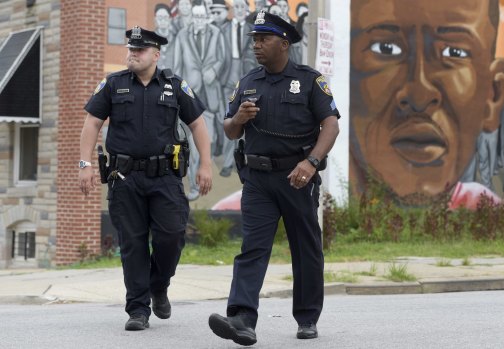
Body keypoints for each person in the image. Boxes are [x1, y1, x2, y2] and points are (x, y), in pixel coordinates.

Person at [207, 11, 340, 345]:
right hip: (257, 180)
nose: (256, 46)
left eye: (263, 39)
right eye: (254, 40)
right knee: (252, 248)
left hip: (297, 178)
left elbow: (331, 125)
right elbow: (230, 129)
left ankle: (307, 317)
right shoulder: (248, 81)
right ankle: (241, 318)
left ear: (284, 43)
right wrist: (237, 117)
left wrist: (311, 162)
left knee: (305, 248)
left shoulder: (310, 81)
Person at [78, 26, 212, 330]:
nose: (131, 54)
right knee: (132, 244)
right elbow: (92, 123)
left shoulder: (175, 85)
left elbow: (198, 125)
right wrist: (85, 163)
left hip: (165, 177)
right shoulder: (112, 84)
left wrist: (206, 164)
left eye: (138, 51)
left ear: (155, 54)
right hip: (124, 177)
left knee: (173, 234)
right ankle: (137, 309)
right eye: (130, 49)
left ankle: (159, 284)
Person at [349, 0, 504, 206]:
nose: (420, 96)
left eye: (454, 53)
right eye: (386, 48)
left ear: (492, 97)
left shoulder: (484, 212)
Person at [174, 3, 227, 200]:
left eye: (201, 16)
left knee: (206, 141)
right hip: (188, 96)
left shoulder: (216, 34)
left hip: (210, 96)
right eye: (195, 16)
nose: (198, 20)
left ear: (206, 17)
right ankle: (192, 184)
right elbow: (177, 65)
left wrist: (214, 71)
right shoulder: (182, 35)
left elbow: (223, 59)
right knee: (187, 143)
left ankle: (200, 182)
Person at [218, 0, 258, 178]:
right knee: (231, 119)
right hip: (227, 77)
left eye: (244, 7)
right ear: (233, 10)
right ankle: (227, 163)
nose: (241, 10)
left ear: (247, 10)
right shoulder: (223, 29)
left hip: (248, 79)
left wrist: (249, 76)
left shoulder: (253, 30)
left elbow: (253, 56)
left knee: (248, 120)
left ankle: (242, 161)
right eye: (238, 7)